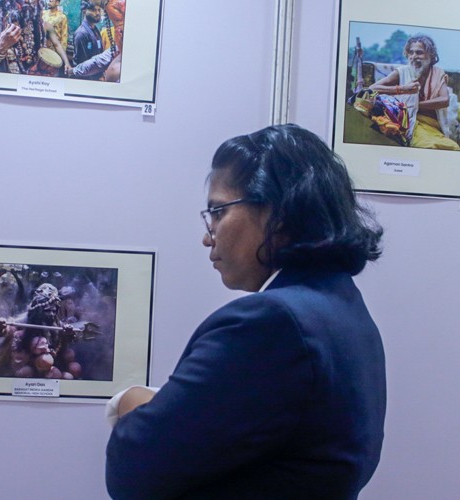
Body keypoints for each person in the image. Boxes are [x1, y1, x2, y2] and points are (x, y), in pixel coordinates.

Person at [106, 124, 386, 499]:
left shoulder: (271, 323)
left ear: (279, 213)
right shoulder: (342, 306)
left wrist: (131, 402)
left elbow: (133, 472)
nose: (208, 235)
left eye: (218, 211)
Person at [370, 34, 460, 150]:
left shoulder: (438, 73)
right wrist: (402, 89)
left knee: (452, 147)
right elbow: (372, 89)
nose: (414, 56)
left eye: (419, 53)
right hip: (413, 123)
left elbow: (444, 100)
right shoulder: (402, 72)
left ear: (431, 55)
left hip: (434, 125)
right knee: (438, 147)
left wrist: (414, 105)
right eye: (411, 52)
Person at [72, 1, 112, 80]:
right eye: (93, 10)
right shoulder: (81, 34)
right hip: (87, 79)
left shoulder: (96, 30)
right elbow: (81, 64)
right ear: (84, 11)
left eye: (99, 10)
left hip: (97, 75)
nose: (97, 13)